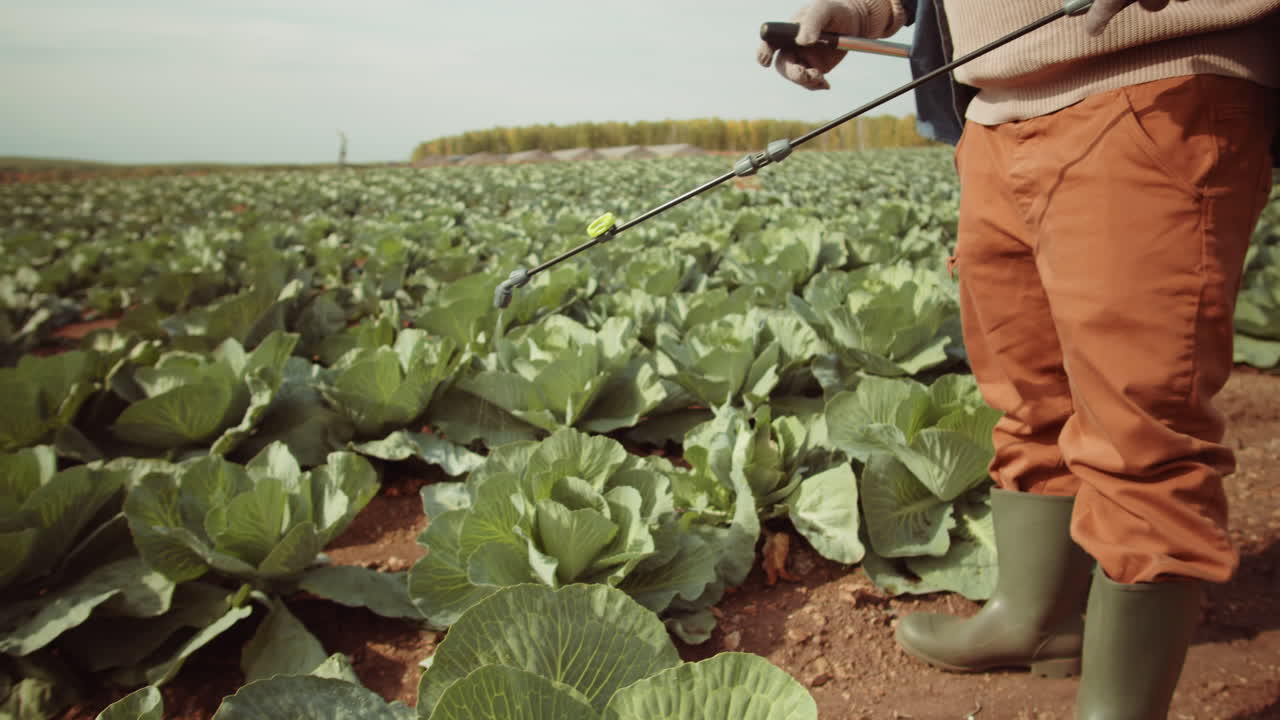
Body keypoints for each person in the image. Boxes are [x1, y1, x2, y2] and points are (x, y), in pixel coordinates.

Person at [759, 0, 1280, 717]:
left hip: (1156, 87)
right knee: (1027, 393)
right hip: (993, 111)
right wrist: (861, 9)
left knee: (1142, 428)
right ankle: (1035, 618)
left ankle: (1117, 708)